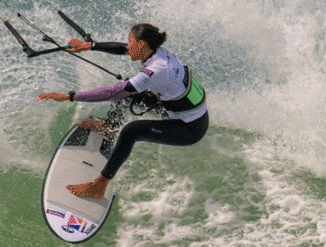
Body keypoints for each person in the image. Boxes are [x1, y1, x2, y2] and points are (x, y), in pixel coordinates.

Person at [36, 23, 209, 199]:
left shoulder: (156, 70)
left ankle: (99, 186)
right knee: (128, 90)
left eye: (130, 42)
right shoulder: (158, 51)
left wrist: (70, 96)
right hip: (177, 108)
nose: (127, 47)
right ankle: (110, 127)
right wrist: (89, 46)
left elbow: (112, 93)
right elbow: (123, 50)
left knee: (131, 131)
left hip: (189, 129)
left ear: (141, 44)